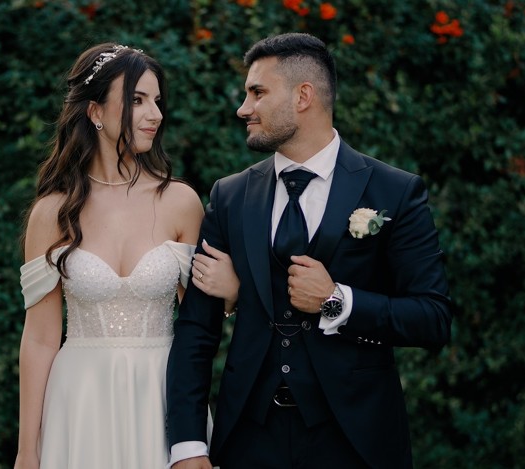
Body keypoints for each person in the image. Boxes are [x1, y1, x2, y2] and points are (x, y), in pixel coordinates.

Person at [166, 33, 452, 469]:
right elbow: (196, 330)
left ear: (303, 96)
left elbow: (432, 318)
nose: (243, 108)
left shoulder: (394, 191)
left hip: (355, 441)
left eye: (257, 92)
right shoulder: (231, 196)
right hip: (248, 440)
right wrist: (188, 446)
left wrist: (337, 301)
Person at [15, 43, 238, 469]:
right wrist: (28, 450)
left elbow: (200, 326)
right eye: (137, 100)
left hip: (161, 396)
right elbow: (40, 339)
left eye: (157, 101)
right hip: (79, 402)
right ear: (95, 111)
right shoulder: (52, 213)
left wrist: (231, 293)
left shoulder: (180, 202)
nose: (155, 114)